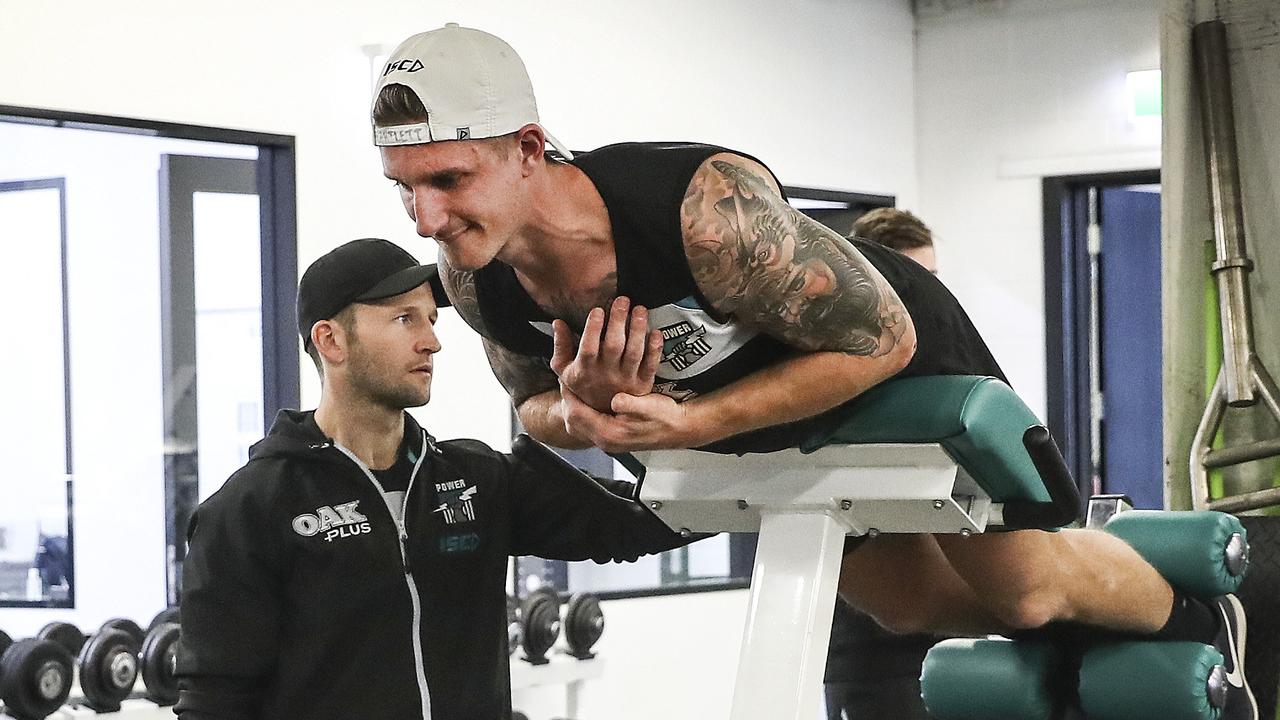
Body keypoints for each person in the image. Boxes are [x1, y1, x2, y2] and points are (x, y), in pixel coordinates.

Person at [370, 24, 1255, 719]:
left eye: (448, 178)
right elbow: (532, 405)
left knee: (1024, 596)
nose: (426, 216)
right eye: (404, 186)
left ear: (528, 147)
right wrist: (589, 415)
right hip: (757, 422)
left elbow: (884, 341)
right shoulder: (475, 274)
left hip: (886, 363)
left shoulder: (703, 212)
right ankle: (1090, 611)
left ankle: (1198, 611)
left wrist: (693, 425)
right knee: (905, 609)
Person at [174, 238, 690, 720]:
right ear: (331, 341)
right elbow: (215, 705)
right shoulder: (247, 512)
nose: (432, 342)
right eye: (404, 320)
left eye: (432, 320)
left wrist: (630, 414)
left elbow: (645, 520)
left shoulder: (478, 479)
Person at [824, 208, 950, 720]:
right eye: (913, 283)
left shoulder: (944, 374)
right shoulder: (831, 378)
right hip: (870, 648)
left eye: (934, 281)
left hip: (953, 636)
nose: (930, 300)